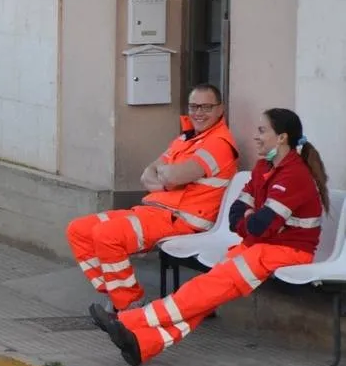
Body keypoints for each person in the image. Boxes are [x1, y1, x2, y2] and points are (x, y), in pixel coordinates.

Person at [91, 107, 328, 366]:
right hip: (260, 246)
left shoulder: (294, 175)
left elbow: (261, 225)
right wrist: (250, 220)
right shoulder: (264, 167)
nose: (256, 136)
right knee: (207, 293)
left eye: (262, 130)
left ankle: (128, 321)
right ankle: (144, 345)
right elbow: (236, 216)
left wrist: (250, 220)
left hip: (286, 252)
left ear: (281, 138)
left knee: (207, 289)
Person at [66, 83, 239, 320]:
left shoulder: (219, 143)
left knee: (108, 235)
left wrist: (165, 175)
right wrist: (165, 177)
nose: (198, 112)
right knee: (79, 230)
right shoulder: (186, 138)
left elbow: (171, 174)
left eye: (206, 107)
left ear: (221, 110)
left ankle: (130, 306)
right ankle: (117, 296)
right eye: (194, 106)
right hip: (154, 211)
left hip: (181, 220)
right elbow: (147, 174)